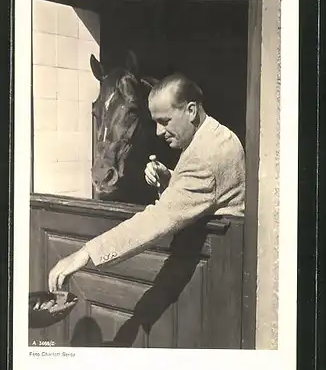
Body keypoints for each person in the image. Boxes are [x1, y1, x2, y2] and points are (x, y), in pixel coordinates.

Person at [48, 73, 245, 293]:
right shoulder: (214, 135)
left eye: (164, 121)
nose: (159, 132)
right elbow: (206, 192)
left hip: (219, 276)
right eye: (156, 123)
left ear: (190, 110)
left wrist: (85, 253)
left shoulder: (207, 155)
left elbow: (157, 219)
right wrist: (170, 178)